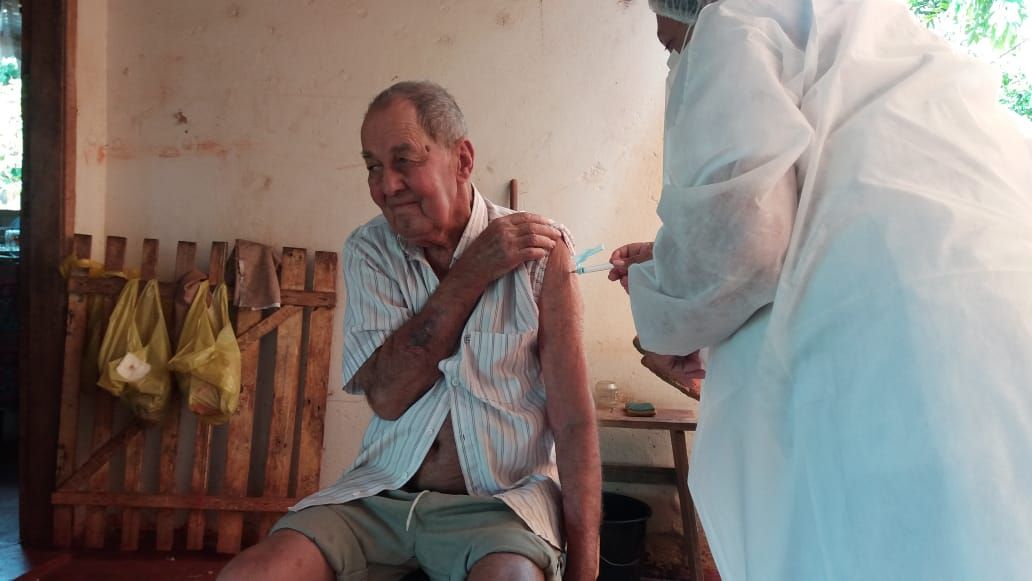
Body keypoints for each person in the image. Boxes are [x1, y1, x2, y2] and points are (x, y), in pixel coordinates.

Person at [608, 0, 1032, 579]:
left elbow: (740, 244)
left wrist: (663, 309)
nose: (673, 55)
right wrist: (673, 263)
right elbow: (807, 221)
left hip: (900, 358)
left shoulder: (732, 21)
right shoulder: (882, 34)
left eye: (670, 43)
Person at [220, 81, 601, 581]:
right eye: (373, 167)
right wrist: (471, 272)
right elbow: (388, 397)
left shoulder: (541, 253)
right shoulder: (370, 250)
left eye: (404, 161)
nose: (387, 185)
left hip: (500, 508)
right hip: (379, 497)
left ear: (462, 160)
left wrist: (586, 569)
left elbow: (573, 421)